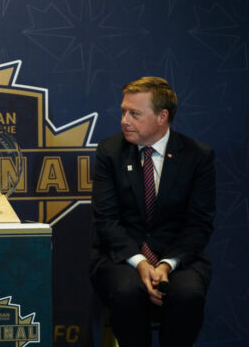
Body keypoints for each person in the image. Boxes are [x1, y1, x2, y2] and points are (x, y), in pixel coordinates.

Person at [90, 76, 215, 347]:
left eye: (134, 114)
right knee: (127, 292)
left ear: (162, 117)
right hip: (122, 256)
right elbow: (106, 219)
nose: (124, 120)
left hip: (178, 257)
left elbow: (199, 224)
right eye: (123, 111)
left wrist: (166, 265)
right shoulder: (109, 152)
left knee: (188, 295)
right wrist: (141, 262)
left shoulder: (198, 157)